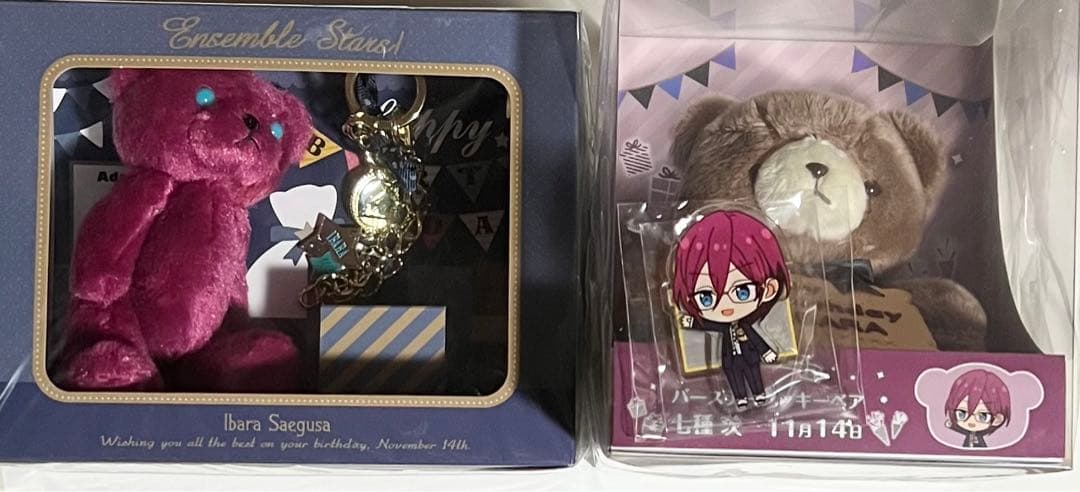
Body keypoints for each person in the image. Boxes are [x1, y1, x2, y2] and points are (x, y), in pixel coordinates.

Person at [673, 210, 790, 409]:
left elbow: (755, 337)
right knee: (734, 377)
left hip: (750, 356)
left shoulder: (746, 324)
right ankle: (740, 398)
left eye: (742, 292)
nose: (725, 304)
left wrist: (766, 352)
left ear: (769, 289)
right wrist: (690, 321)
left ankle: (759, 394)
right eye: (706, 297)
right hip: (729, 361)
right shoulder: (723, 326)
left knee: (753, 374)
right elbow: (707, 325)